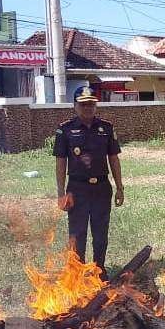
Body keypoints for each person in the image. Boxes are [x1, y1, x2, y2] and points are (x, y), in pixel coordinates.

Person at [53, 85, 125, 278]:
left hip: (101, 188)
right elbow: (61, 163)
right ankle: (77, 274)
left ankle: (99, 271)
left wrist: (119, 187)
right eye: (83, 105)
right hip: (77, 189)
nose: (88, 108)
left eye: (91, 104)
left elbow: (114, 159)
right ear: (75, 106)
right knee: (77, 234)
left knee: (101, 234)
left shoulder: (106, 128)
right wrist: (61, 193)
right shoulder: (65, 130)